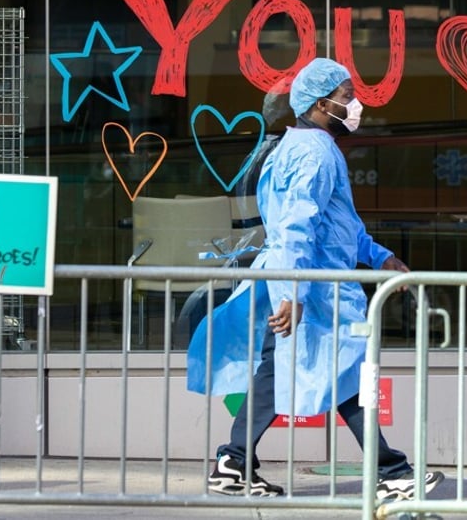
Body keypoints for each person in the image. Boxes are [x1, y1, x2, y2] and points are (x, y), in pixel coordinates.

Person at [187, 57, 443, 501]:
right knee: (348, 375)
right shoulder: (316, 154)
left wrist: (380, 258)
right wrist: (294, 293)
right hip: (317, 287)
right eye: (346, 97)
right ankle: (392, 472)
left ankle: (233, 462)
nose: (355, 104)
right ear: (322, 104)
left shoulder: (296, 147)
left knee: (290, 372)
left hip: (304, 281)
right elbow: (296, 227)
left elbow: (338, 225)